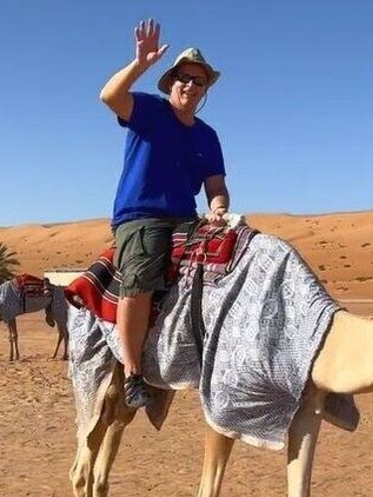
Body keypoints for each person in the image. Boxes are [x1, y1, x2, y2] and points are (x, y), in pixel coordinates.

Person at [99, 18, 230, 409]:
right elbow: (108, 96)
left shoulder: (208, 136)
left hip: (187, 218)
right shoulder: (149, 111)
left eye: (198, 80)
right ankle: (134, 372)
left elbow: (216, 187)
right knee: (139, 277)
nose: (190, 85)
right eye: (184, 78)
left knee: (233, 258)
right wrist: (140, 64)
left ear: (206, 89)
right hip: (141, 217)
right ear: (171, 81)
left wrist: (219, 209)